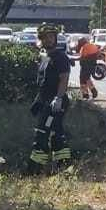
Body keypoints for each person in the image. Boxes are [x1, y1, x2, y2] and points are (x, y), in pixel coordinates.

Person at [26, 24, 72, 174]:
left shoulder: (60, 57)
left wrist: (58, 99)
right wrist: (38, 102)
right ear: (41, 40)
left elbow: (64, 78)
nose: (48, 40)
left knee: (44, 132)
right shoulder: (45, 57)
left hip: (56, 102)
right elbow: (43, 82)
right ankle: (61, 166)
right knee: (54, 132)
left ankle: (36, 168)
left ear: (55, 39)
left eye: (51, 37)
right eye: (45, 37)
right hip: (45, 101)